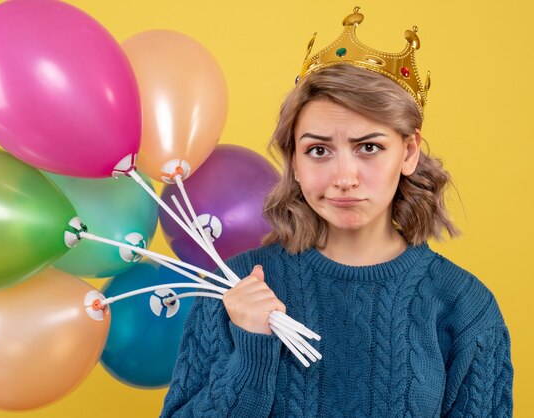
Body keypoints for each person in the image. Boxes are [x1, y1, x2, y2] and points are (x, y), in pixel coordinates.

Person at [161, 7, 513, 417]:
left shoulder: (464, 308)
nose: (344, 177)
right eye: (319, 150)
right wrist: (251, 351)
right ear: (294, 160)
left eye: (369, 147)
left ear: (409, 151)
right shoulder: (234, 290)